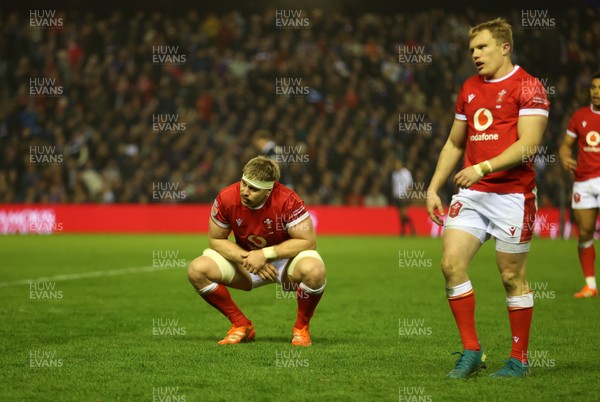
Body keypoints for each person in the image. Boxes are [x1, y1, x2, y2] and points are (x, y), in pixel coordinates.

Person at [426, 18, 550, 378]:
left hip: (513, 195)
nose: (475, 55)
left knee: (511, 277)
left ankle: (519, 360)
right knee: (450, 265)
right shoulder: (468, 88)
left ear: (505, 47)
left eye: (482, 47)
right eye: (472, 50)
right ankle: (471, 352)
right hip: (473, 194)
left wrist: (483, 168)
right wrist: (434, 187)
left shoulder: (529, 87)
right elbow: (454, 142)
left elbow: (528, 145)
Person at [187, 156, 326, 346]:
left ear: (269, 190)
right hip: (245, 261)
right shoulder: (227, 197)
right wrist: (250, 258)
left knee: (315, 271)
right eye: (244, 184)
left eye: (253, 189)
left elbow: (308, 242)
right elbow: (216, 239)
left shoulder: (288, 200)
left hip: (285, 262)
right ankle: (241, 325)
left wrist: (264, 255)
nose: (245, 191)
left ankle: (301, 328)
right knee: (197, 270)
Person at [559, 71, 600, 298]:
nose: (596, 92)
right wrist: (565, 157)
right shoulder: (579, 116)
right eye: (593, 87)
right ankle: (590, 285)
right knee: (584, 232)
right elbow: (566, 145)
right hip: (583, 181)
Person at [391, 160, 416, 236]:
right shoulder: (394, 174)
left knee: (403, 214)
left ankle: (412, 229)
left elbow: (410, 184)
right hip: (397, 196)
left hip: (404, 196)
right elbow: (394, 185)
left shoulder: (406, 173)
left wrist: (407, 195)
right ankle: (403, 231)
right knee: (400, 215)